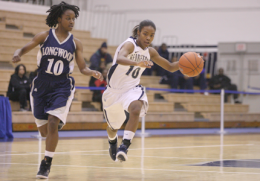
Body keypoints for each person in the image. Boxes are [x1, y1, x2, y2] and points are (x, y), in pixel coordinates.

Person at [11, 1, 103, 179]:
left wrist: (92, 72)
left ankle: (46, 163)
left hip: (62, 86)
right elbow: (22, 48)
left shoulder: (76, 43)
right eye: (68, 18)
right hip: (41, 85)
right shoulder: (44, 36)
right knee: (45, 131)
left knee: (53, 123)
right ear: (59, 19)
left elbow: (82, 67)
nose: (71, 21)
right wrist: (17, 54)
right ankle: (56, 118)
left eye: (73, 19)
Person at [103, 19, 180, 162]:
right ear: (138, 32)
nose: (148, 38)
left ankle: (124, 147)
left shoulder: (150, 51)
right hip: (113, 92)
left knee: (136, 108)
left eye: (152, 35)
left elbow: (169, 66)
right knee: (113, 128)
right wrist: (136, 63)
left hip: (131, 88)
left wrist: (186, 62)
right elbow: (120, 58)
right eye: (145, 34)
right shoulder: (130, 44)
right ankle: (112, 141)